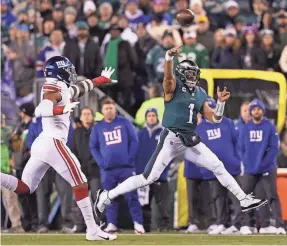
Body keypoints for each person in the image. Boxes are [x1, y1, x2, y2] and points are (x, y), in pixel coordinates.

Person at [94, 46, 267, 219]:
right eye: (190, 74)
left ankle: (243, 199)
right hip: (171, 138)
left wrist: (220, 103)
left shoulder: (200, 92)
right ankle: (107, 196)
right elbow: (168, 76)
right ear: (182, 74)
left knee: (217, 166)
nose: (193, 77)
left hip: (189, 140)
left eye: (194, 74)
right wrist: (169, 57)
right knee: (147, 178)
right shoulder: (173, 87)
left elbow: (214, 119)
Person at [0, 55, 118, 241]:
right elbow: (41, 109)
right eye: (68, 69)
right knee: (80, 182)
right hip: (52, 142)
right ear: (60, 71)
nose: (72, 73)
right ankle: (92, 229)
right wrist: (60, 110)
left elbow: (80, 88)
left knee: (25, 188)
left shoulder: (61, 87)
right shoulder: (52, 86)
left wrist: (101, 80)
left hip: (43, 143)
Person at [90, 97, 144, 234]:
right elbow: (93, 147)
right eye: (106, 108)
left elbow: (134, 141)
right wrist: (101, 162)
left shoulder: (125, 122)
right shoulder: (97, 127)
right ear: (102, 110)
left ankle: (138, 224)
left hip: (126, 168)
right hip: (108, 170)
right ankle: (111, 223)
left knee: (132, 196)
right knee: (109, 197)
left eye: (111, 108)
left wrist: (129, 158)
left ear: (115, 109)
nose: (109, 111)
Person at [238, 99, 286, 235]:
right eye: (253, 109)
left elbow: (273, 148)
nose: (256, 111)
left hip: (267, 168)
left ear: (262, 111)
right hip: (250, 169)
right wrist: (247, 163)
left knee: (272, 196)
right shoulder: (246, 127)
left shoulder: (270, 127)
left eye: (258, 109)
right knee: (246, 197)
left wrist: (264, 165)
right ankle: (247, 225)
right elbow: (240, 148)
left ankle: (278, 225)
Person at [26, 117, 74, 234]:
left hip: (60, 162)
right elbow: (30, 142)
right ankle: (42, 224)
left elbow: (69, 139)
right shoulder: (35, 122)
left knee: (65, 193)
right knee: (42, 194)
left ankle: (68, 224)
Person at [135, 108, 170, 232]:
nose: (151, 117)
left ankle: (164, 227)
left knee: (162, 204)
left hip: (161, 175)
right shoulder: (139, 134)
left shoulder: (164, 133)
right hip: (144, 177)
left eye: (153, 115)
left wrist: (164, 169)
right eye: (149, 115)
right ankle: (146, 227)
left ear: (157, 117)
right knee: (144, 203)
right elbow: (135, 153)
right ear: (146, 117)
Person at [71, 107, 101, 203]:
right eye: (84, 114)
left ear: (92, 116)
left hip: (95, 170)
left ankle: (98, 218)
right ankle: (82, 218)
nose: (87, 116)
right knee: (81, 201)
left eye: (89, 114)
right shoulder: (76, 133)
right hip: (81, 171)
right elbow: (73, 150)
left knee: (96, 198)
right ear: (80, 117)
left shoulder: (98, 131)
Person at [1, 114, 25, 233]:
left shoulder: (7, 131)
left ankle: (16, 226)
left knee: (11, 200)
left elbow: (17, 148)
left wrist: (19, 136)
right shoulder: (6, 132)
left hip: (6, 170)